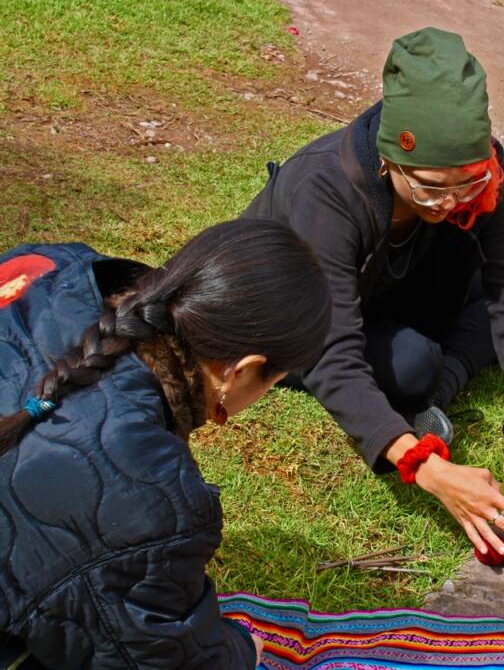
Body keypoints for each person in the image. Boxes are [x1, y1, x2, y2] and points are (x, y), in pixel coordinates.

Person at [242, 27, 504, 557]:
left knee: (491, 306)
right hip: (302, 313)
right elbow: (331, 351)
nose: (450, 202)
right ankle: (422, 392)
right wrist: (427, 467)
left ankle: (429, 388)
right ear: (389, 159)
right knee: (410, 365)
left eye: (468, 184)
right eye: (430, 186)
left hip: (394, 283)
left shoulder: (483, 178)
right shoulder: (326, 189)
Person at [0, 220, 330, 668]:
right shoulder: (148, 506)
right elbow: (157, 656)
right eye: (275, 378)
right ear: (243, 369)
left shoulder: (47, 265)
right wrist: (237, 652)